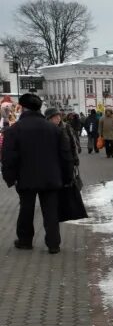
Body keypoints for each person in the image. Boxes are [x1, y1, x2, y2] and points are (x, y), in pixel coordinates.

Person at [1, 94, 73, 253]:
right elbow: (65, 154)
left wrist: (9, 177)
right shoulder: (54, 129)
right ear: (40, 108)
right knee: (51, 210)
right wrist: (67, 176)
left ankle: (25, 240)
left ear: (23, 108)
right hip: (51, 177)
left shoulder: (15, 130)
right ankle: (53, 244)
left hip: (25, 177)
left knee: (26, 209)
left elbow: (8, 156)